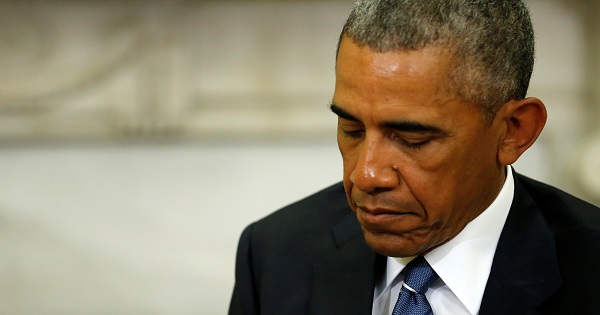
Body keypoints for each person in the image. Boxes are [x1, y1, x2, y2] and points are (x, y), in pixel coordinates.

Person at [228, 1, 600, 314]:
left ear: (514, 131)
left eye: (412, 138)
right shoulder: (274, 254)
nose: (366, 174)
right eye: (352, 130)